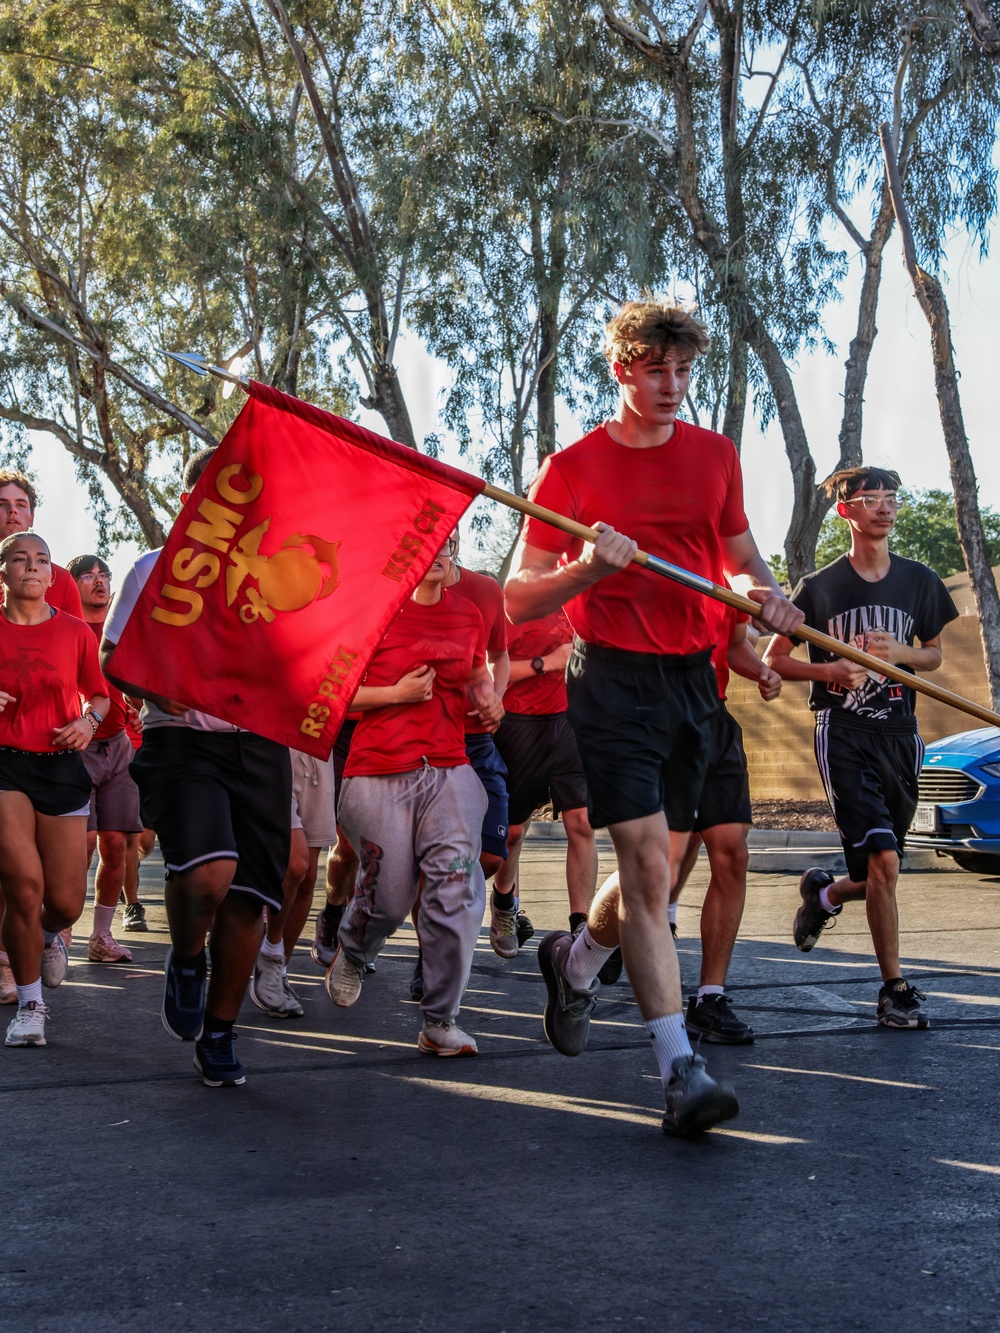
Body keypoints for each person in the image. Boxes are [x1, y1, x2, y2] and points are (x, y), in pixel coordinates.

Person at [505, 299, 803, 1135]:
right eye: (654, 370)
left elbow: (740, 559)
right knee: (643, 866)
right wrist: (585, 571)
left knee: (656, 876)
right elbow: (517, 596)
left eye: (682, 371)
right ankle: (680, 1068)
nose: (671, 386)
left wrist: (765, 595)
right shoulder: (570, 468)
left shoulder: (715, 456)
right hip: (611, 680)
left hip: (694, 683)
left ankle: (575, 960)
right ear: (621, 370)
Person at [101, 449, 292, 1087]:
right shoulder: (152, 569)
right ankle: (187, 959)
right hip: (182, 741)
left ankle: (219, 1033)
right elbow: (111, 655)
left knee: (249, 899)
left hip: (260, 745)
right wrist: (155, 689)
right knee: (209, 874)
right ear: (192, 503)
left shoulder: (276, 575)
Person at [764, 467, 958, 1029]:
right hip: (843, 732)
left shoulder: (920, 580)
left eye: (891, 498)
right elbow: (776, 658)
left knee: (882, 871)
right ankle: (893, 991)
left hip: (900, 735)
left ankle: (823, 896)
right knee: (884, 860)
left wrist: (900, 653)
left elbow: (933, 655)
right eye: (871, 499)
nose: (885, 508)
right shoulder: (819, 587)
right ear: (846, 511)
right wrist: (829, 670)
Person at [325, 538, 504, 1056]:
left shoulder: (468, 614)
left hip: (448, 767)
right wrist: (395, 695)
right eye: (432, 544)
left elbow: (475, 673)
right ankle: (354, 949)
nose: (441, 552)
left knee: (455, 889)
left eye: (450, 544)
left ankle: (440, 1020)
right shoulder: (374, 612)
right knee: (390, 899)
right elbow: (332, 694)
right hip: (377, 769)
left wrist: (487, 699)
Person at [0, 531, 109, 1047]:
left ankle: (48, 938)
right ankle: (30, 1006)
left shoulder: (75, 631)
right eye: (20, 559)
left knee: (64, 904)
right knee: (24, 887)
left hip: (62, 766)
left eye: (41, 560)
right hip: (4, 765)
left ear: (51, 575)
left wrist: (88, 721)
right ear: (3, 572)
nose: (32, 566)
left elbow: (100, 697)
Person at [665, 612, 782, 1043]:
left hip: (714, 720)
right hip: (655, 720)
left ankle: (709, 998)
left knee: (732, 854)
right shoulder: (646, 572)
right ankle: (586, 952)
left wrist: (761, 670)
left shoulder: (721, 583)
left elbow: (733, 646)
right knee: (658, 861)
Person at [0, 470, 84, 1002]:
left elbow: (75, 658)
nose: (12, 511)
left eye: (21, 503)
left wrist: (91, 721)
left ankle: (44, 935)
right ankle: (10, 968)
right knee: (16, 876)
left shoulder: (59, 583)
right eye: (2, 503)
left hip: (55, 755)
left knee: (56, 893)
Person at [492, 608, 597, 950]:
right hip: (519, 722)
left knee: (582, 822)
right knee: (513, 832)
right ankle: (504, 902)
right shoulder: (515, 602)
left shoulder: (583, 597)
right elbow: (493, 670)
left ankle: (581, 927)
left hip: (572, 721)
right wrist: (548, 663)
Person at [67, 554, 144, 964]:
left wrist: (141, 708)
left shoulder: (124, 629)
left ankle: (100, 937)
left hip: (119, 746)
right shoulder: (66, 628)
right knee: (79, 848)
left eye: (104, 574)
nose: (98, 581)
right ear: (72, 585)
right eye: (87, 576)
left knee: (116, 845)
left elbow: (139, 683)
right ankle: (60, 931)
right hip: (77, 750)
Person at [250, 749, 337, 1019]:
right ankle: (270, 951)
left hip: (318, 753)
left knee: (307, 876)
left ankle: (277, 971)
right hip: (273, 751)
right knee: (295, 864)